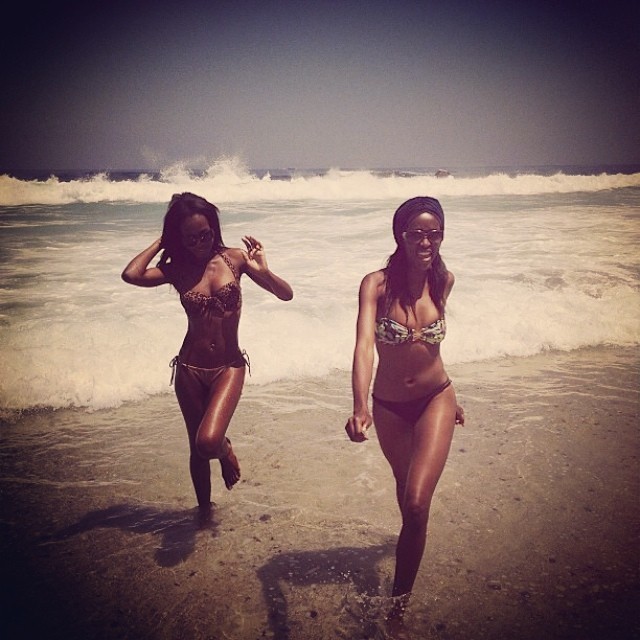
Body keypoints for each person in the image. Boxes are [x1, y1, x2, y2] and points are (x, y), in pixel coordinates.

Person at [122, 192, 293, 521]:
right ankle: (203, 513)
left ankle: (224, 449)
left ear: (214, 229)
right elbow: (131, 275)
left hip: (228, 367)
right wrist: (162, 241)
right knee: (196, 448)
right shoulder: (176, 269)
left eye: (205, 234)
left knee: (208, 441)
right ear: (179, 239)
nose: (200, 243)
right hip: (189, 369)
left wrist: (265, 271)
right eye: (190, 238)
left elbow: (286, 294)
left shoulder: (235, 260)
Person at [345, 196, 464, 620]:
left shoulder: (444, 280)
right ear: (401, 235)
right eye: (417, 234)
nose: (426, 241)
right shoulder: (376, 286)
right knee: (406, 494)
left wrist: (453, 399)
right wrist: (360, 406)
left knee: (415, 504)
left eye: (434, 233)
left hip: (436, 399)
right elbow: (364, 347)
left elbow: (431, 351)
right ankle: (409, 546)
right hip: (390, 408)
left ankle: (397, 609)